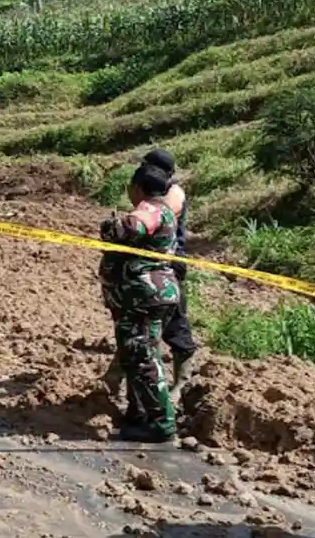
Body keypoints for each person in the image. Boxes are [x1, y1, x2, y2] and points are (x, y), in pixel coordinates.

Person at [99, 163, 182, 443]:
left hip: (144, 296)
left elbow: (131, 227)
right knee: (136, 355)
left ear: (138, 188)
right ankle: (139, 413)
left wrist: (112, 226)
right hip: (149, 295)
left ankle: (161, 424)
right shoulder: (166, 209)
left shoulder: (151, 208)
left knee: (143, 356)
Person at [141, 148, 198, 397]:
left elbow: (157, 217)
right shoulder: (159, 189)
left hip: (168, 264)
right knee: (141, 322)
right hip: (155, 263)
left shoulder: (173, 193)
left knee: (174, 321)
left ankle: (182, 382)